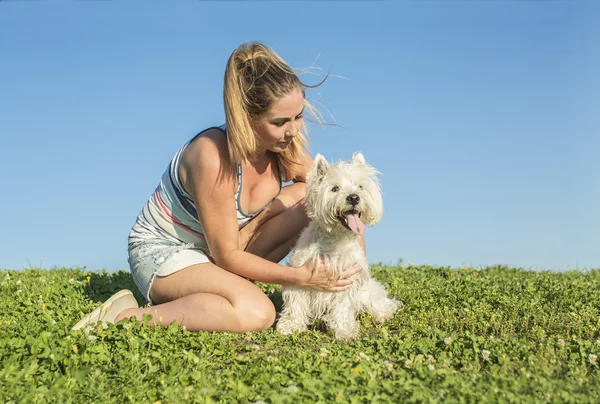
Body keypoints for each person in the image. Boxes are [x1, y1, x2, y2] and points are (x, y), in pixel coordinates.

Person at [72, 41, 365, 333]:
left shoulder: (286, 146)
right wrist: (300, 277)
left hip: (219, 251)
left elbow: (340, 206)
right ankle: (124, 317)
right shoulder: (210, 155)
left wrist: (355, 271)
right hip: (168, 252)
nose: (293, 130)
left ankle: (223, 292)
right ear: (247, 118)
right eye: (279, 122)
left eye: (298, 116)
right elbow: (226, 255)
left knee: (308, 196)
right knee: (258, 312)